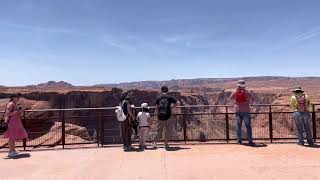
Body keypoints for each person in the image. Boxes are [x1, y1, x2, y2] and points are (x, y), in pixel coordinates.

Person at [3, 93, 28, 158]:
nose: (18, 99)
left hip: (15, 123)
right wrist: (17, 112)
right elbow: (8, 113)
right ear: (13, 97)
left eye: (19, 97)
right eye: (17, 97)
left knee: (13, 137)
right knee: (11, 138)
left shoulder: (14, 104)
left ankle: (13, 151)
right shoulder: (11, 104)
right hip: (12, 123)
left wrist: (19, 111)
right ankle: (11, 152)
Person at [231, 80, 255, 146]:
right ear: (244, 85)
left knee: (238, 126)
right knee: (248, 126)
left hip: (238, 111)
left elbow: (231, 98)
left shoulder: (235, 92)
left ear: (238, 85)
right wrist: (249, 103)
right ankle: (250, 141)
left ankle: (239, 141)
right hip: (246, 111)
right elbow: (253, 98)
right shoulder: (247, 92)